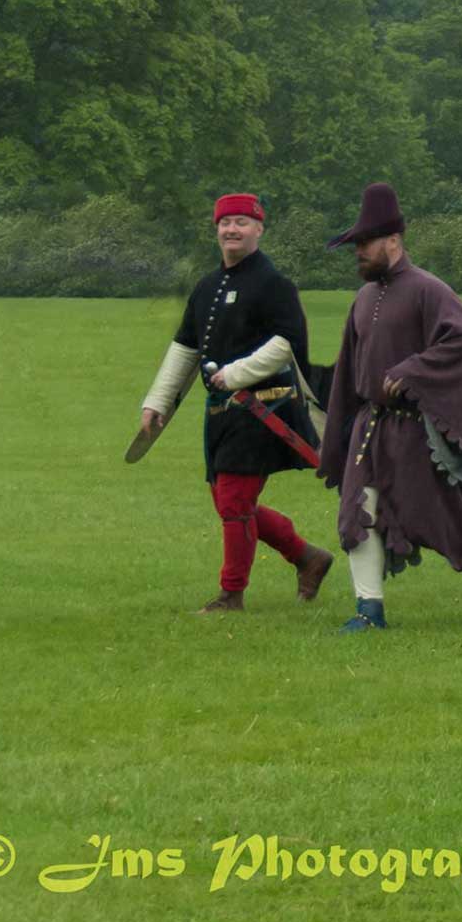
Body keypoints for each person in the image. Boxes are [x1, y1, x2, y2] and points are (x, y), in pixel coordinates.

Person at [317, 183, 462, 630]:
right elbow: (350, 367)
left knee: (446, 516)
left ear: (393, 240)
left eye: (365, 243)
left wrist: (413, 371)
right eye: (356, 245)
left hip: (417, 431)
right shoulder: (363, 298)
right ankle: (369, 611)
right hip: (371, 429)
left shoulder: (428, 289)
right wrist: (341, 427)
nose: (358, 253)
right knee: (357, 512)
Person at [137, 193, 333, 613]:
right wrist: (158, 401)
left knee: (233, 502)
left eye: (242, 222)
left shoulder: (274, 284)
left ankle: (231, 595)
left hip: (264, 410)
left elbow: (287, 343)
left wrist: (236, 374)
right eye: (225, 223)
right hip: (221, 413)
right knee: (230, 502)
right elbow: (185, 347)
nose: (232, 230)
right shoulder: (207, 286)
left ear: (259, 229)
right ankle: (307, 556)